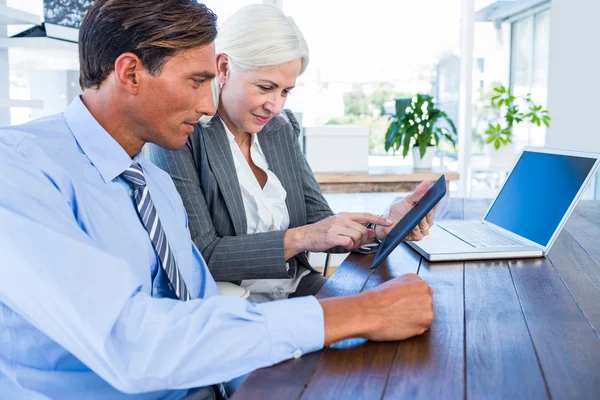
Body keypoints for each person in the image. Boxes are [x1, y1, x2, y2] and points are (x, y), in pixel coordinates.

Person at [0, 1, 434, 399]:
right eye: (196, 81)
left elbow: (203, 312)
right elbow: (130, 342)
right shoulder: (19, 169)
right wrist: (355, 314)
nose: (209, 106)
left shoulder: (152, 184)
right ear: (131, 73)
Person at [149, 4, 436, 302]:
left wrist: (384, 225)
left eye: (285, 91)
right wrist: (302, 237)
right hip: (231, 306)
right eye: (265, 87)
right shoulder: (179, 135)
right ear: (223, 68)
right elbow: (201, 254)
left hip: (297, 290)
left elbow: (321, 221)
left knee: (404, 305)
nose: (276, 106)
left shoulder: (280, 129)